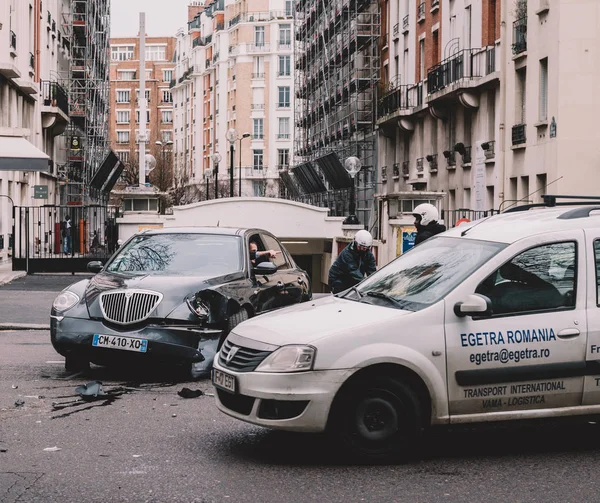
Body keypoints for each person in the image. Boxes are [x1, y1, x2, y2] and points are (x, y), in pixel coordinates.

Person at [328, 229, 376, 294]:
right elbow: (355, 273)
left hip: (352, 280)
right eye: (360, 247)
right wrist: (366, 285)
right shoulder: (347, 254)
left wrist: (375, 284)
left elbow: (372, 272)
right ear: (355, 243)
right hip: (339, 279)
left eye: (365, 248)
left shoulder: (369, 255)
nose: (362, 250)